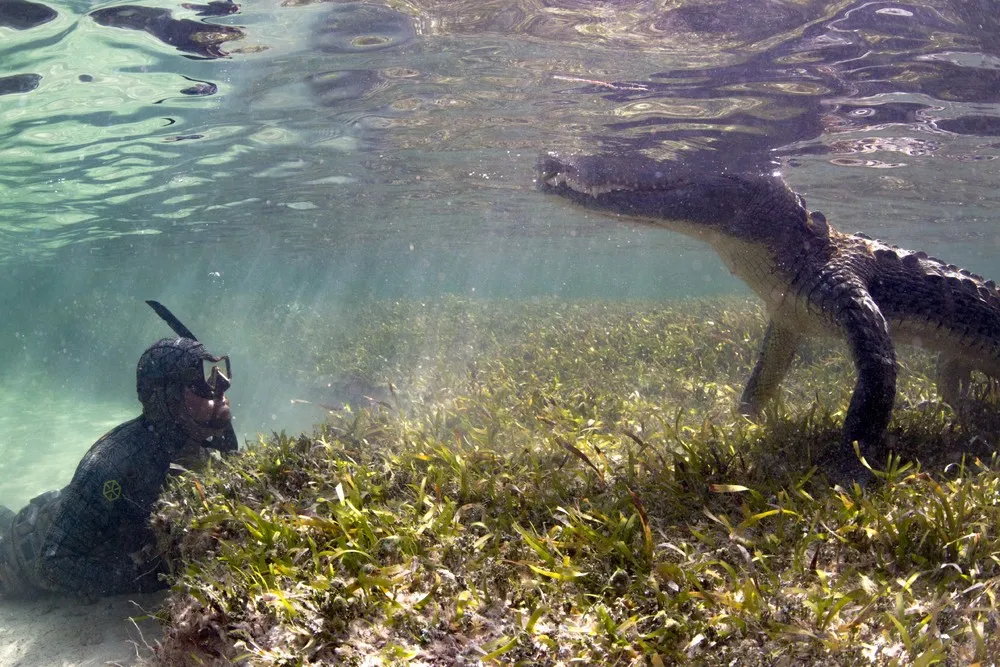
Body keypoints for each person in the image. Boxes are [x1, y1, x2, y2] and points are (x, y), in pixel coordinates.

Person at [0, 303, 236, 599]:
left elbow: (229, 460)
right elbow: (53, 565)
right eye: (199, 383)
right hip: (16, 559)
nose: (219, 388)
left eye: (215, 376)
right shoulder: (113, 460)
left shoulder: (192, 431)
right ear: (168, 399)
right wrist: (148, 577)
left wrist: (215, 417)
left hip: (44, 520)